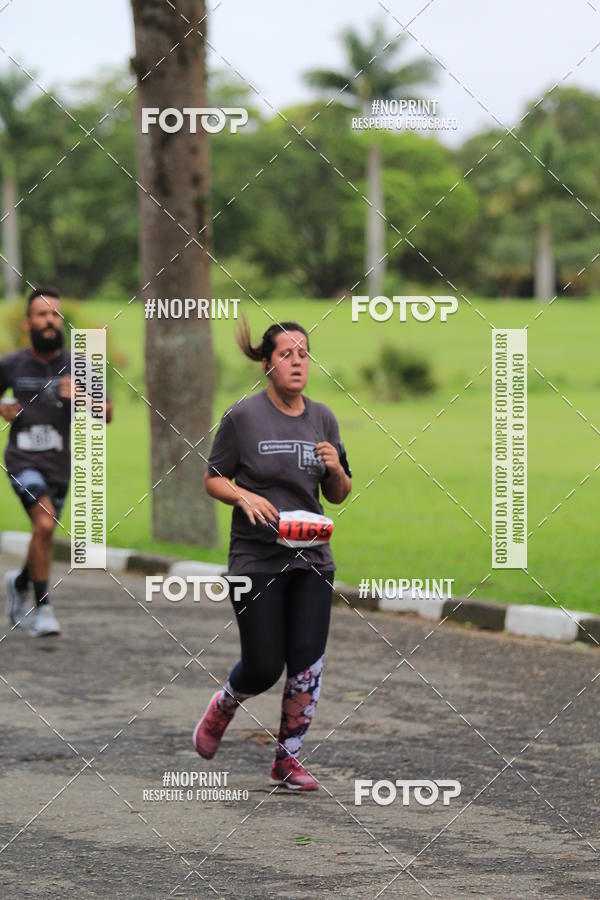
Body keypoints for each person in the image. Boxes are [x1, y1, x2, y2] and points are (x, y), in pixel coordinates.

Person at [193, 319, 352, 791]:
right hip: (256, 559)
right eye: (286, 353)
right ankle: (224, 705)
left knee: (306, 663)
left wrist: (335, 467)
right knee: (264, 665)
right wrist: (243, 495)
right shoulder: (242, 417)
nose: (297, 361)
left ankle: (288, 759)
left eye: (303, 353)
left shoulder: (322, 418)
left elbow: (339, 493)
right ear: (267, 363)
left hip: (312, 559)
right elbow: (213, 478)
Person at [0, 287, 112, 636]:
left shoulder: (79, 365)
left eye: (55, 315)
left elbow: (107, 413)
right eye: (42, 315)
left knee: (42, 535)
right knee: (46, 526)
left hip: (59, 465)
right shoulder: (10, 365)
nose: (50, 321)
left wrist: (81, 397)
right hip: (22, 460)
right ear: (28, 322)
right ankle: (44, 608)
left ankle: (19, 583)